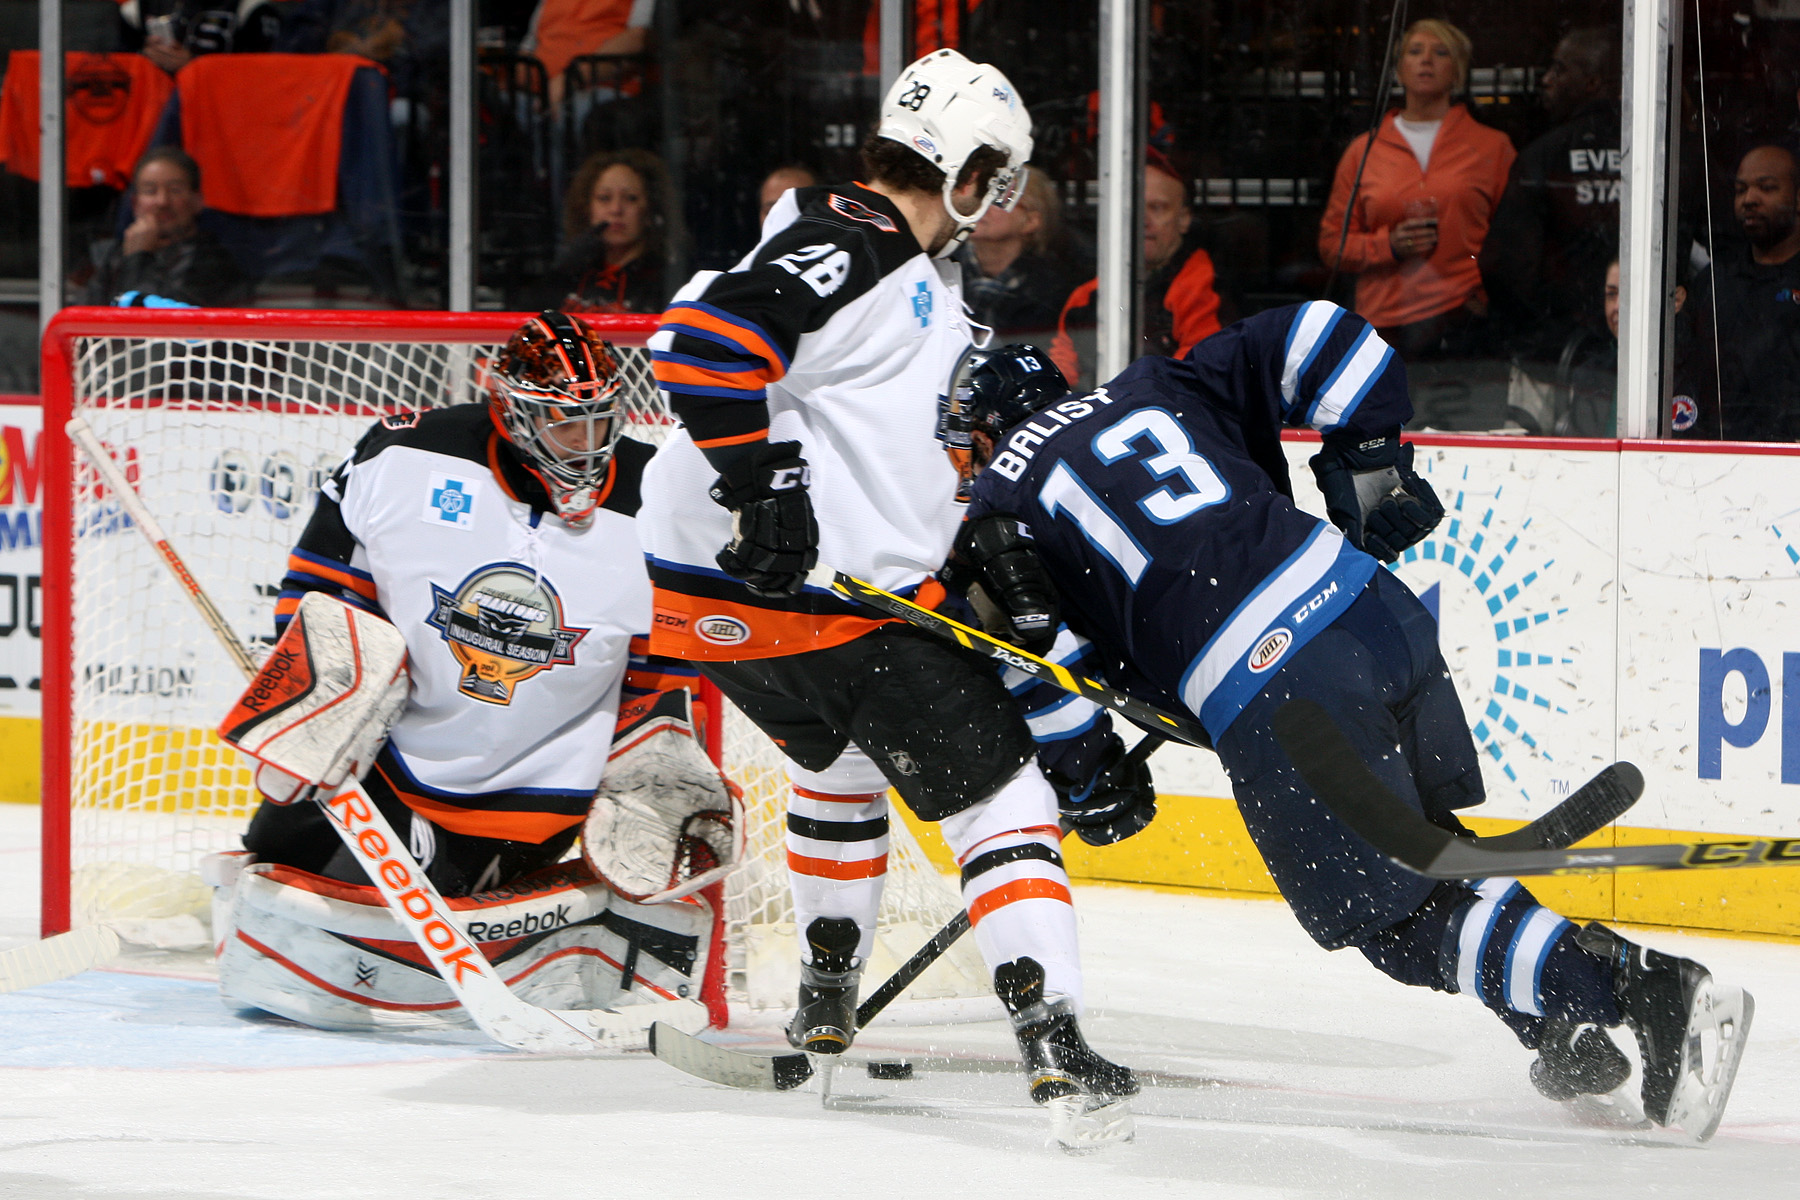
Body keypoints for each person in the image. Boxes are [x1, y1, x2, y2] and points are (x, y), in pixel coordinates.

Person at [944, 319, 1753, 1140]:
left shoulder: (1001, 508)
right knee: (1423, 850)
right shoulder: (1156, 383)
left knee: (1392, 920)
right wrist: (1370, 463)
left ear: (985, 429)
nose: (962, 472)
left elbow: (1031, 660)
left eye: (962, 450)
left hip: (1280, 678)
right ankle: (1556, 1028)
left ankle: (1633, 989)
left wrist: (1088, 778)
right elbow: (1323, 335)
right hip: (1375, 611)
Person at [639, 48, 1137, 1136]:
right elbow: (704, 345)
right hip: (833, 607)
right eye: (993, 178)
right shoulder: (855, 245)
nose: (996, 205)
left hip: (722, 618)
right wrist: (765, 486)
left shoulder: (869, 255)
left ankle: (826, 998)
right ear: (965, 170)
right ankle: (1052, 1040)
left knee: (847, 759)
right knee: (1006, 806)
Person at [213, 310, 727, 1030]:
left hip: (535, 800)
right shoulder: (408, 455)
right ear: (513, 413)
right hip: (391, 766)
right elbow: (321, 593)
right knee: (268, 873)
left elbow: (661, 672)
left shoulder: (655, 502)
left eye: (600, 419)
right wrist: (319, 691)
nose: (588, 444)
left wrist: (649, 760)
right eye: (563, 423)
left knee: (322, 936)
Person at [1318, 19, 1516, 363]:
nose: (1426, 60)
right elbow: (1332, 245)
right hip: (1384, 326)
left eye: (1441, 53)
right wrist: (1388, 245)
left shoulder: (1492, 147)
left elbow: (1514, 239)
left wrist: (1482, 293)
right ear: (1399, 69)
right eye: (1415, 51)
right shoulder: (1364, 151)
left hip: (1464, 320)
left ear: (1458, 72)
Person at [1479, 27, 1623, 375]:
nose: (1546, 80)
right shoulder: (1660, 151)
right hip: (1649, 348)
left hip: (1557, 351)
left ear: (1592, 82)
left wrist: (1540, 328)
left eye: (1559, 70)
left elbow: (1505, 265)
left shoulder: (1543, 157)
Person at [1051, 150, 1223, 390]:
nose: (1143, 219)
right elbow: (1061, 372)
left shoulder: (1206, 289)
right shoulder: (1085, 297)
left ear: (1184, 219)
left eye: (1157, 207)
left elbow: (1195, 376)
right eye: (1133, 206)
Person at [1677, 144, 1800, 441]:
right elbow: (1684, 382)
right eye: (1740, 190)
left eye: (1767, 188)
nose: (1749, 200)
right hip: (1719, 464)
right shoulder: (1713, 284)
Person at [80, 147, 249, 308]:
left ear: (197, 201)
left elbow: (153, 322)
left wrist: (139, 258)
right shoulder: (118, 253)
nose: (162, 201)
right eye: (150, 191)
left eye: (175, 190)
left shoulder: (213, 262)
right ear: (135, 203)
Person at [541, 148, 678, 314]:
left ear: (650, 209)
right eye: (604, 198)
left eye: (631, 198)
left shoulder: (666, 282)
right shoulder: (570, 273)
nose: (616, 209)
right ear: (587, 207)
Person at [959, 166, 1078, 344]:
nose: (982, 206)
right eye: (980, 195)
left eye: (998, 199)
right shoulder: (938, 266)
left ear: (1031, 221)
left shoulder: (1054, 291)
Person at [522, 0, 654, 108]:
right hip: (539, 89)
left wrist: (568, 80)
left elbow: (639, 38)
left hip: (608, 90)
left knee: (574, 110)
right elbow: (529, 47)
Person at [124, 0, 287, 72]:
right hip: (153, 112)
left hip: (221, 118)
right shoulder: (136, 8)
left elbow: (264, 79)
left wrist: (194, 66)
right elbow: (114, 70)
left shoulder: (255, 9)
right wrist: (143, 61)